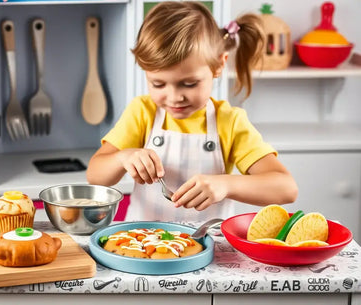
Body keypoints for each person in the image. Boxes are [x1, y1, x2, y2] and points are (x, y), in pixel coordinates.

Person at [86, 1, 298, 222]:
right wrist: (123, 157)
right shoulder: (143, 112)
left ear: (218, 65)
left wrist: (226, 184)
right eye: (158, 84)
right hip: (141, 246)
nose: (175, 97)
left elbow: (286, 188)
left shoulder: (230, 121)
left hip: (207, 249)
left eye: (189, 84)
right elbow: (95, 176)